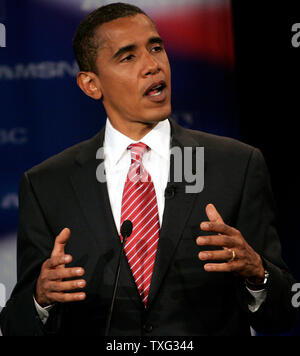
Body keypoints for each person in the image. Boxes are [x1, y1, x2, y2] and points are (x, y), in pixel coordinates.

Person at [0, 2, 298, 336]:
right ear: (91, 84)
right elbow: (15, 327)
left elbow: (283, 314)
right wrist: (41, 298)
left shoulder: (236, 165)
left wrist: (257, 273)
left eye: (156, 48)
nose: (152, 65)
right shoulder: (46, 185)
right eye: (128, 56)